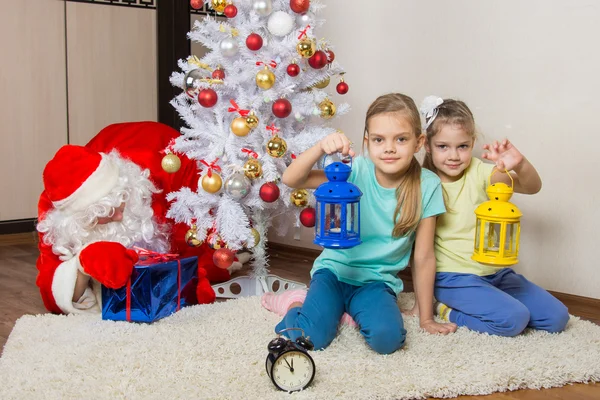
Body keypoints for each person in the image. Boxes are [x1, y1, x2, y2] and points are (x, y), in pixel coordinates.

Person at [261, 93, 457, 355]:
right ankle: (295, 303)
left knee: (388, 340)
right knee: (312, 339)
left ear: (419, 142)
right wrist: (321, 147)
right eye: (379, 139)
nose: (389, 148)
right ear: (367, 141)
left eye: (400, 139)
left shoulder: (427, 184)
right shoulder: (353, 170)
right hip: (334, 273)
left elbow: (423, 256)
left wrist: (426, 317)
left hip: (377, 282)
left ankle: (350, 310)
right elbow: (291, 179)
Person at [36, 121, 247, 315]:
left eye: (122, 201)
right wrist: (82, 267)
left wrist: (187, 283)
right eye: (107, 214)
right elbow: (51, 290)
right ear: (83, 220)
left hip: (172, 166)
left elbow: (194, 244)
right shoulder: (59, 219)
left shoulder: (145, 185)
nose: (119, 215)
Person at [418, 96, 569, 336]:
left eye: (463, 146)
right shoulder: (426, 184)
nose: (454, 156)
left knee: (557, 318)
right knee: (513, 320)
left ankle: (493, 302)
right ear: (427, 145)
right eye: (443, 146)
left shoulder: (479, 172)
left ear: (472, 143)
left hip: (497, 274)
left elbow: (531, 187)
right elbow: (421, 253)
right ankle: (446, 309)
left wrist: (519, 164)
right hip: (454, 278)